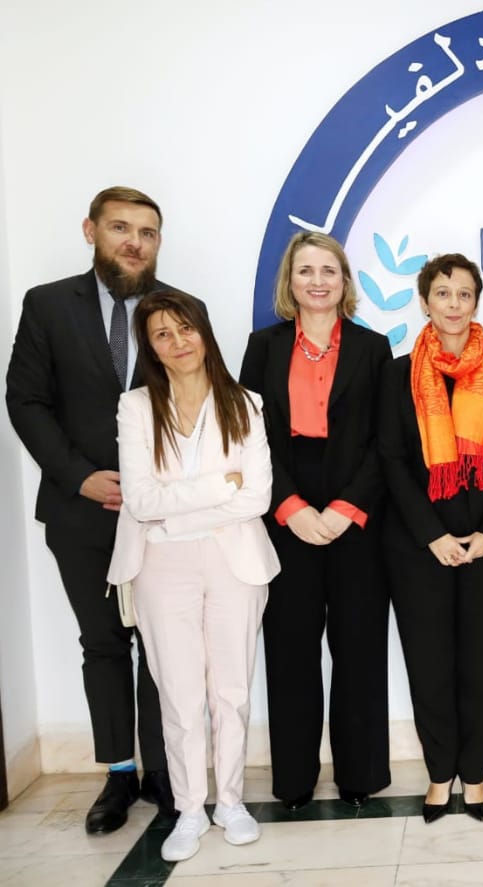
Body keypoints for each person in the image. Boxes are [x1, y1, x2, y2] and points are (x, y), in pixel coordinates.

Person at [5, 186, 176, 832]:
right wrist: (80, 478)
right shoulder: (48, 305)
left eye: (147, 232)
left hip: (162, 514)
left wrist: (160, 485)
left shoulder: (178, 310)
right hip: (79, 511)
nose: (135, 242)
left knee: (162, 645)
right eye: (121, 228)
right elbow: (25, 401)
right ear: (91, 231)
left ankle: (165, 770)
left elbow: (198, 405)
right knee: (103, 644)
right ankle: (119, 774)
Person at [107, 291, 278, 862]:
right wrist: (219, 486)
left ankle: (229, 801)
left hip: (234, 562)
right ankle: (188, 808)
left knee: (231, 690)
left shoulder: (246, 403)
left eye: (186, 329)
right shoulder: (135, 408)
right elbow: (140, 500)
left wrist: (179, 511)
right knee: (179, 694)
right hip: (160, 566)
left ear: (203, 332)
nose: (178, 342)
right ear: (150, 347)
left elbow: (256, 497)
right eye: (163, 334)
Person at [239, 231, 392, 810]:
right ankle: (294, 780)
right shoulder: (263, 346)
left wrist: (348, 507)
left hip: (357, 508)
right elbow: (249, 436)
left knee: (359, 647)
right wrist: (289, 507)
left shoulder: (373, 348)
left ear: (344, 280)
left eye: (329, 270)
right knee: (290, 649)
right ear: (290, 280)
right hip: (286, 504)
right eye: (305, 270)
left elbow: (385, 440)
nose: (318, 280)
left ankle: (360, 775)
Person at [379, 253, 483, 824]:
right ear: (425, 302)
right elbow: (392, 460)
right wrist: (432, 535)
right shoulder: (398, 374)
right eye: (442, 293)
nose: (454, 304)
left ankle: (476, 772)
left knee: (482, 666)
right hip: (419, 547)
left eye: (464, 293)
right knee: (430, 665)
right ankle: (441, 773)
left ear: (476, 301)